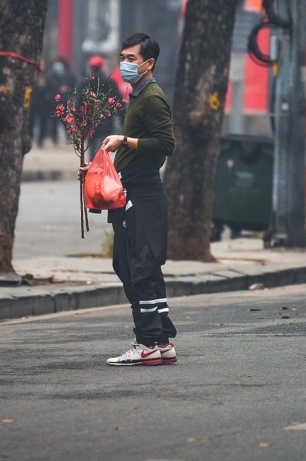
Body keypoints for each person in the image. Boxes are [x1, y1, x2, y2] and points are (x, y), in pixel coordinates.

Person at [79, 33, 177, 366]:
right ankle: (161, 340)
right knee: (140, 265)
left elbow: (166, 144)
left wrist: (125, 141)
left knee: (136, 266)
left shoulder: (151, 97)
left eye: (131, 59)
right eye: (122, 57)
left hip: (144, 192)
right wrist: (97, 170)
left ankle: (146, 342)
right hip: (131, 190)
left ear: (148, 64)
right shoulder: (137, 95)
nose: (125, 63)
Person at [86, 55, 120, 161]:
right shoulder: (110, 83)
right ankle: (101, 165)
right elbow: (118, 101)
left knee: (92, 146)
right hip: (106, 120)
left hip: (89, 121)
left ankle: (92, 165)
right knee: (104, 145)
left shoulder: (86, 83)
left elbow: (79, 103)